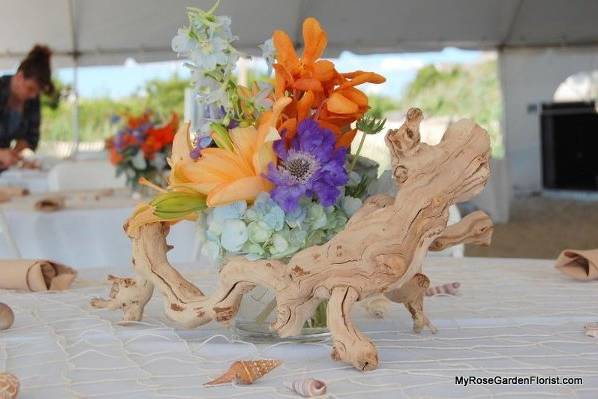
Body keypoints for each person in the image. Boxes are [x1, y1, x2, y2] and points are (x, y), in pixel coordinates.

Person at [0, 45, 54, 169]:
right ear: (19, 76)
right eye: (30, 89)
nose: (33, 95)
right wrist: (1, 154)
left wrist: (16, 152)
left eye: (37, 92)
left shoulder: (33, 100)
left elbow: (31, 137)